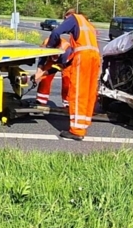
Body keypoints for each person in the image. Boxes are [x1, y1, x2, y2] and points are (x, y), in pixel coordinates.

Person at [33, 8, 101, 140]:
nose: (65, 21)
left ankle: (77, 130)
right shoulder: (88, 24)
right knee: (89, 92)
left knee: (78, 92)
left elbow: (56, 32)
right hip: (95, 57)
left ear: (68, 16)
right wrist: (42, 72)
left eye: (65, 19)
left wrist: (49, 49)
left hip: (83, 57)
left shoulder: (73, 19)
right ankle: (84, 122)